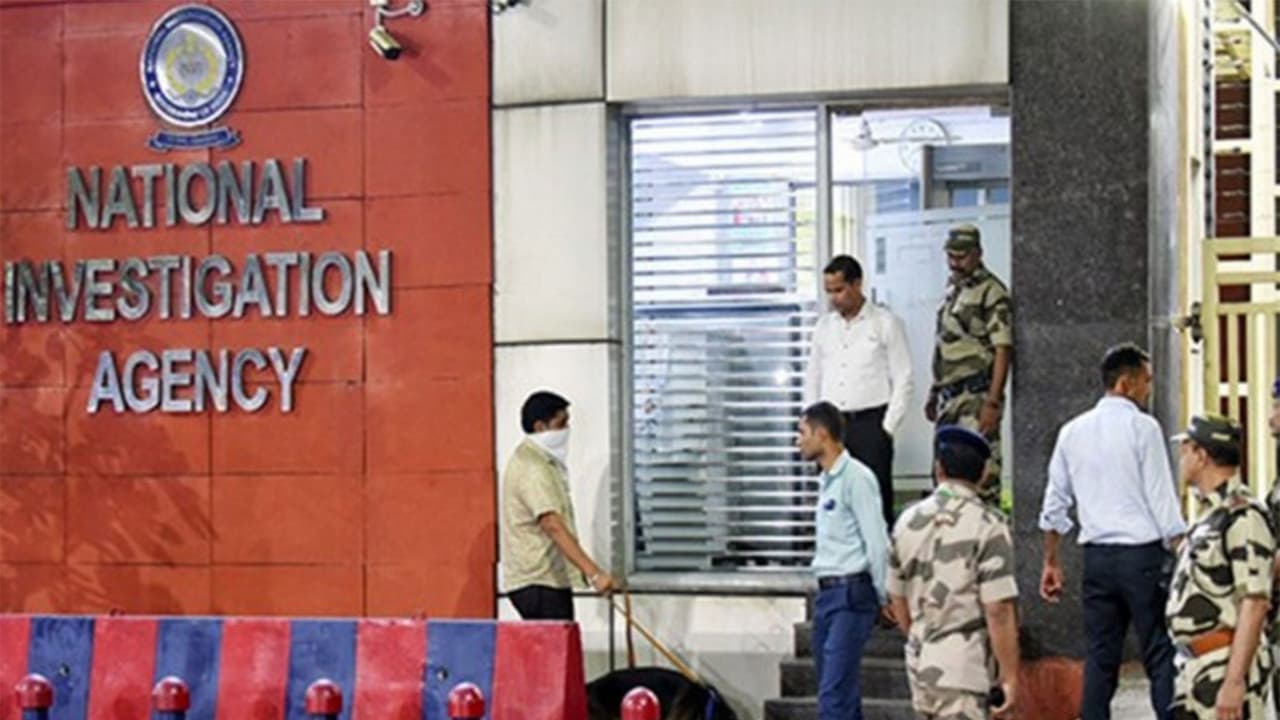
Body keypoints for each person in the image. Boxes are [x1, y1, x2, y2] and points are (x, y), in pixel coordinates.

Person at [1038, 343, 1186, 720]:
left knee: (1101, 658)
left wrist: (1051, 562)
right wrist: (1183, 550)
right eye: (1146, 381)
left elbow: (1054, 505)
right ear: (1125, 383)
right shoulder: (1144, 428)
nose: (1149, 389)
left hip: (1098, 560)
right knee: (1159, 652)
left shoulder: (1072, 432)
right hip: (1143, 558)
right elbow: (1162, 499)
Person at [888, 426, 1019, 720]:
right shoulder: (989, 525)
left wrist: (923, 637)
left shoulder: (906, 521)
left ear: (938, 469)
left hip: (920, 667)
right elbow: (998, 609)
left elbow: (897, 598)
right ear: (983, 474)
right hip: (965, 670)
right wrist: (1010, 676)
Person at [1166, 414, 1274, 720]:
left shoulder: (1243, 516)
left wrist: (1234, 682)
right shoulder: (1210, 515)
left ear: (1202, 455)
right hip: (1198, 667)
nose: (1182, 458)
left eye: (1186, 449)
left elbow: (1254, 602)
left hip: (1223, 666)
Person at [796, 401, 893, 720]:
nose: (798, 441)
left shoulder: (857, 478)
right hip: (827, 595)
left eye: (802, 433)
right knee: (841, 694)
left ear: (822, 434)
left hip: (852, 594)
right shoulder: (826, 481)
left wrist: (884, 595)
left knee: (833, 697)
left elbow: (876, 540)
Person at [804, 255, 913, 525]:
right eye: (829, 291)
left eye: (839, 290)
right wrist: (811, 424)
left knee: (874, 502)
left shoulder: (885, 322)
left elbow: (904, 377)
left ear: (857, 284)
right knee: (833, 502)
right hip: (830, 427)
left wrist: (887, 428)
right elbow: (813, 376)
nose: (834, 298)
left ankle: (879, 552)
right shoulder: (824, 327)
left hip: (870, 424)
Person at [500, 390, 617, 620]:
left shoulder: (542, 461)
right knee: (557, 643)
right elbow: (552, 524)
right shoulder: (533, 468)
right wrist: (594, 574)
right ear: (540, 426)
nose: (566, 430)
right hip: (539, 582)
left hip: (544, 581)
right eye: (561, 424)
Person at [925, 224, 1012, 508]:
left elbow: (1002, 348)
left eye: (961, 257)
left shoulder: (992, 292)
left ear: (978, 253)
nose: (955, 263)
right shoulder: (953, 289)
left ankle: (986, 532)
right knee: (944, 481)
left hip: (976, 398)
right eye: (951, 256)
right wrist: (934, 391)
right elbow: (943, 345)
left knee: (981, 479)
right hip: (948, 398)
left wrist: (992, 402)